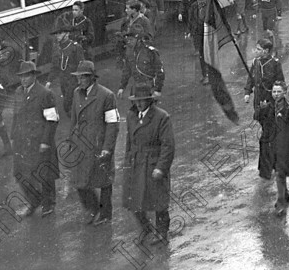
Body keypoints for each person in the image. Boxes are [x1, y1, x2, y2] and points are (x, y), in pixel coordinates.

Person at [123, 83, 175, 246]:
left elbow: (168, 146)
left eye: (142, 100)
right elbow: (129, 142)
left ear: (149, 101)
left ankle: (162, 232)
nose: (138, 104)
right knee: (134, 200)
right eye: (136, 101)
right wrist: (127, 162)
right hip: (136, 163)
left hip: (153, 163)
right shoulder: (131, 116)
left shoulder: (161, 117)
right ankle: (146, 228)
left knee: (159, 200)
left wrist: (161, 167)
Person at [69, 60, 119, 226]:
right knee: (78, 180)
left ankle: (105, 214)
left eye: (83, 77)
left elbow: (113, 124)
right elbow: (74, 119)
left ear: (92, 78)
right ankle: (92, 208)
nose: (80, 80)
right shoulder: (77, 93)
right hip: (81, 144)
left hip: (98, 145)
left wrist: (107, 148)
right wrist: (71, 140)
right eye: (78, 77)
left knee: (104, 181)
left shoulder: (106, 96)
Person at [11, 60, 59, 217]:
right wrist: (13, 136)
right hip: (23, 141)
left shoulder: (45, 93)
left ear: (34, 76)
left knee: (44, 173)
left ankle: (49, 203)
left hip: (40, 142)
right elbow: (16, 116)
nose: (23, 79)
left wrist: (45, 141)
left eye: (27, 76)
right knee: (20, 172)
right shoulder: (19, 92)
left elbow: (52, 120)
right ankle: (33, 201)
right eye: (21, 76)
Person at [258, 81, 289, 215]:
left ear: (284, 92)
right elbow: (260, 121)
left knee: (279, 174)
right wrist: (261, 110)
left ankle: (281, 202)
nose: (276, 94)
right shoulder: (268, 108)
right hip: (272, 147)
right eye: (274, 92)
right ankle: (285, 194)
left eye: (279, 91)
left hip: (286, 147)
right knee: (279, 173)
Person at [118, 25, 165, 99]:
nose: (129, 42)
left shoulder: (150, 52)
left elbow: (160, 71)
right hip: (136, 88)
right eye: (128, 39)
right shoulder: (129, 53)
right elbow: (126, 71)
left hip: (150, 88)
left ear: (139, 40)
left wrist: (158, 89)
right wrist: (122, 87)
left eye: (132, 39)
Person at [244, 39, 285, 124]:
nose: (256, 51)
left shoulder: (275, 63)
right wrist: (247, 92)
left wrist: (277, 98)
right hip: (258, 97)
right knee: (261, 121)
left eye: (258, 49)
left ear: (266, 51)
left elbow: (280, 83)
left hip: (270, 98)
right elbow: (251, 78)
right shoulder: (256, 62)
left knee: (271, 123)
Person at [50, 24, 85, 118]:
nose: (57, 36)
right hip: (63, 79)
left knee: (67, 103)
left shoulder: (75, 47)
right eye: (56, 34)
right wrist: (49, 81)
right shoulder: (57, 48)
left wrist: (81, 80)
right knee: (67, 100)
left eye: (60, 33)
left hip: (73, 79)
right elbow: (55, 66)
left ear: (67, 34)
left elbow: (81, 64)